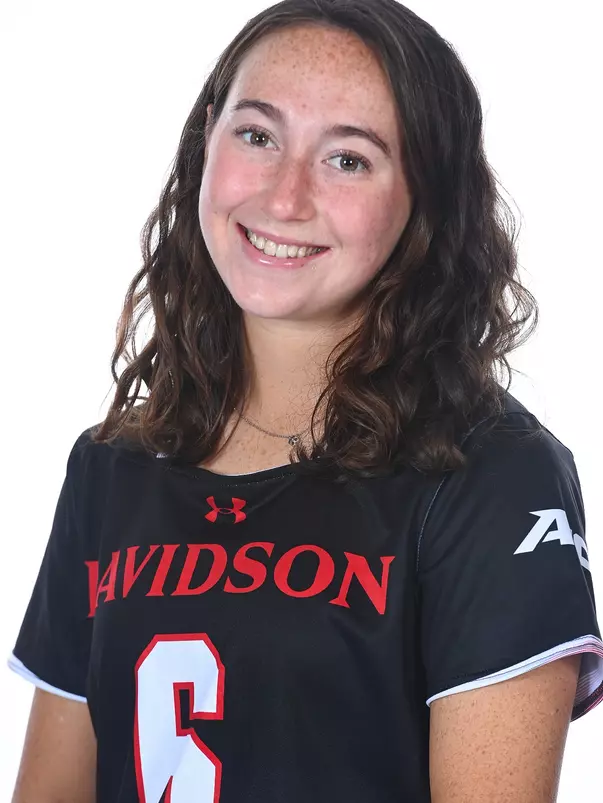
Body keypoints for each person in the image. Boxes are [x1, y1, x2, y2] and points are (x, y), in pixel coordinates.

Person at [8, 0, 602, 801]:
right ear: (206, 139)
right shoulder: (112, 465)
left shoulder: (491, 476)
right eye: (257, 136)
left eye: (347, 159)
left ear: (424, 195)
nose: (284, 198)